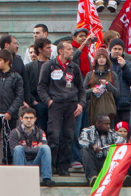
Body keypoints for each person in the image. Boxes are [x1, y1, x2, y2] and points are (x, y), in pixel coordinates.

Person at [38, 40, 84, 176]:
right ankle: (51, 166)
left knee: (68, 136)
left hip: (72, 105)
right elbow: (41, 86)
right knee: (54, 136)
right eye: (69, 49)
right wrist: (49, 102)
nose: (72, 51)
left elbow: (81, 89)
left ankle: (64, 167)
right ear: (61, 51)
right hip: (56, 105)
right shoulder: (49, 65)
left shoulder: (74, 67)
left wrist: (81, 104)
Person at [0, 49, 25, 161]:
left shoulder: (16, 77)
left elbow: (19, 97)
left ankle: (10, 162)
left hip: (10, 115)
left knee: (10, 140)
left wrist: (10, 112)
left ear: (7, 61)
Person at [9, 106, 55, 186]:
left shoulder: (40, 132)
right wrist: (36, 148)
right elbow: (14, 151)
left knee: (45, 148)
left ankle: (47, 178)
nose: (29, 120)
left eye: (31, 118)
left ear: (35, 119)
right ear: (21, 119)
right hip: (22, 162)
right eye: (26, 118)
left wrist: (26, 149)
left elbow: (44, 147)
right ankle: (19, 178)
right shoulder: (14, 133)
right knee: (18, 148)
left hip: (36, 163)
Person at [78, 114, 125, 185]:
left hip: (108, 162)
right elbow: (82, 141)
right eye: (105, 124)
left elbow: (122, 140)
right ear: (97, 124)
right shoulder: (87, 131)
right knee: (84, 150)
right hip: (95, 162)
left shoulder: (111, 133)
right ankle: (92, 177)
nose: (108, 126)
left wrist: (112, 147)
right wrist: (92, 146)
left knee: (121, 150)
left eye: (109, 124)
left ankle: (123, 177)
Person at [108, 39, 131, 128]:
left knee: (124, 131)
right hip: (109, 104)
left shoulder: (128, 64)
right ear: (110, 50)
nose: (117, 51)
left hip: (124, 104)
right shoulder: (106, 64)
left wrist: (124, 67)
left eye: (120, 49)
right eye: (115, 49)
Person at [24, 37, 53, 130]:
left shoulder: (55, 65)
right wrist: (34, 102)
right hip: (37, 104)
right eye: (48, 48)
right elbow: (26, 86)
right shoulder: (29, 67)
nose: (50, 50)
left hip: (53, 103)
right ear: (40, 50)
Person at [84, 48, 119, 125]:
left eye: (103, 57)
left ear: (107, 59)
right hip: (93, 108)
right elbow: (83, 93)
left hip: (108, 108)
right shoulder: (90, 75)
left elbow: (117, 93)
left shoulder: (113, 75)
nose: (101, 59)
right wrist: (92, 90)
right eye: (99, 57)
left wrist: (107, 84)